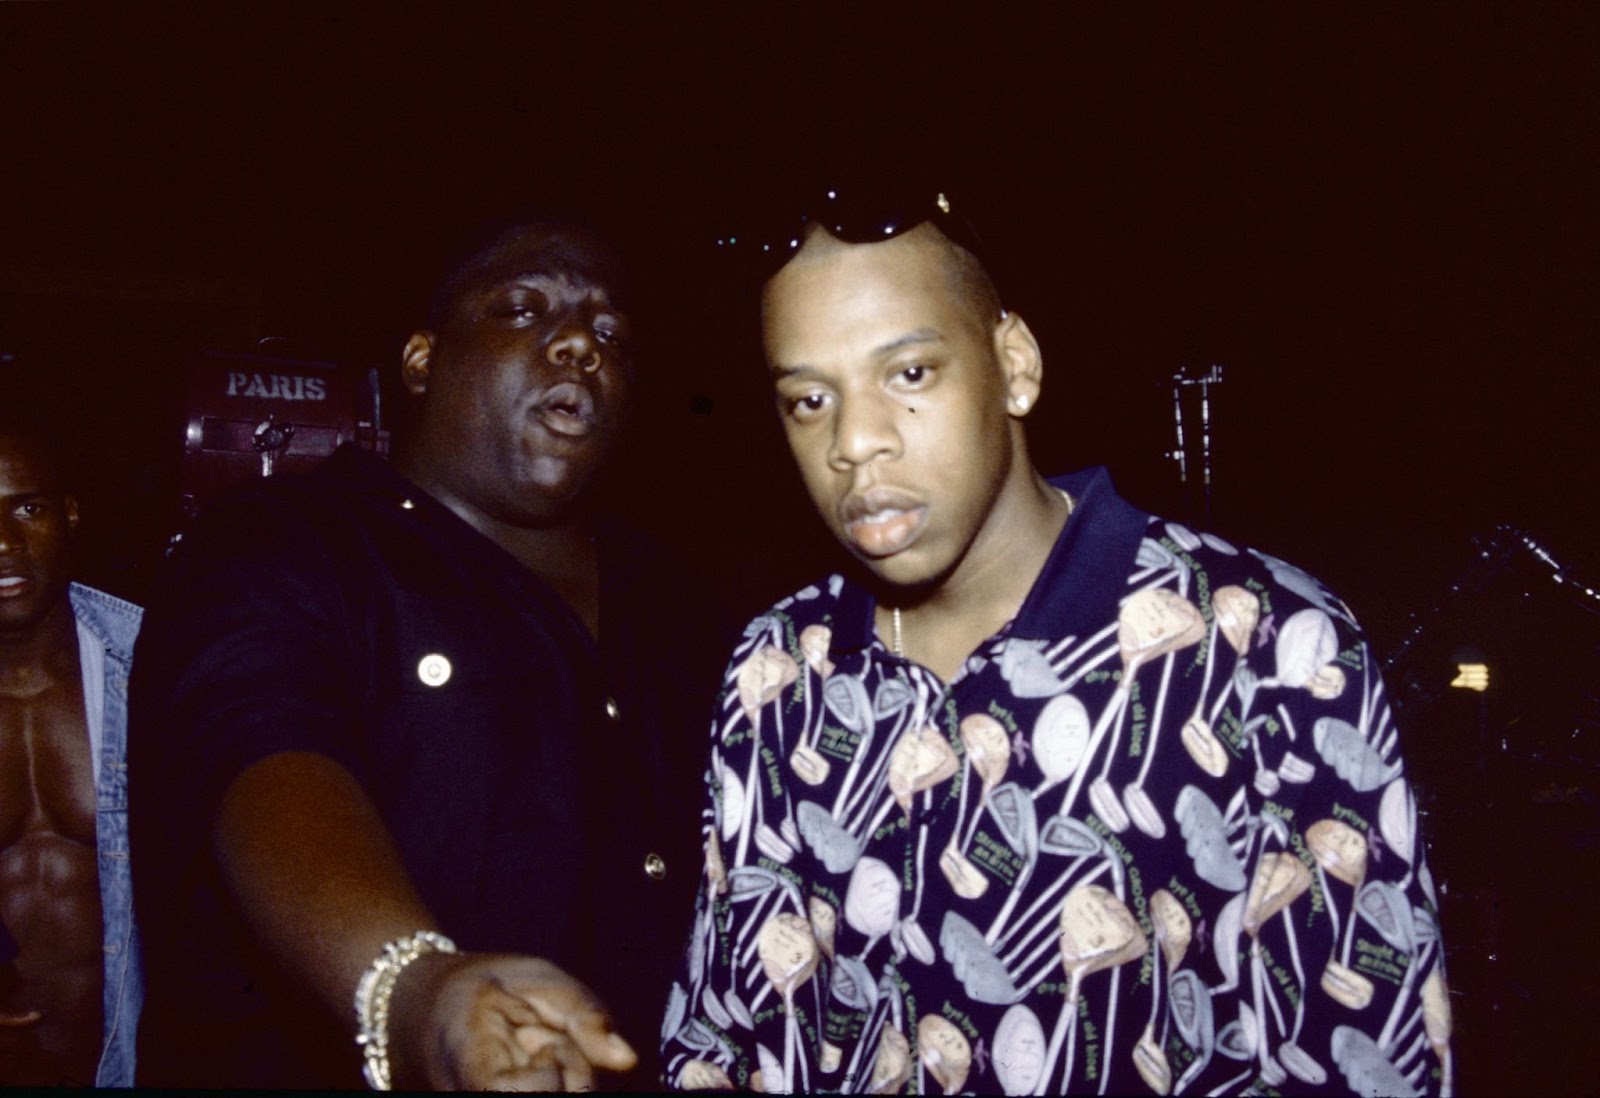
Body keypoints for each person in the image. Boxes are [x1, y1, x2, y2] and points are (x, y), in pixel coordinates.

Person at [661, 191, 1454, 1095]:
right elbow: (721, 1032)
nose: (857, 442)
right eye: (809, 398)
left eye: (911, 374)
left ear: (1014, 365)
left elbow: (1370, 1053)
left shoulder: (1266, 643)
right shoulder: (778, 670)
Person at [130, 216, 734, 1090]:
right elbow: (259, 758)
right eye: (524, 308)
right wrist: (413, 989)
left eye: (611, 333)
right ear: (421, 360)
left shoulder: (680, 598)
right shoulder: (283, 543)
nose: (577, 343)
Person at [0, 418, 143, 1086]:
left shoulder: (151, 666)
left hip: (122, 1061)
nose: (4, 544)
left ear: (71, 514)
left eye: (27, 508)